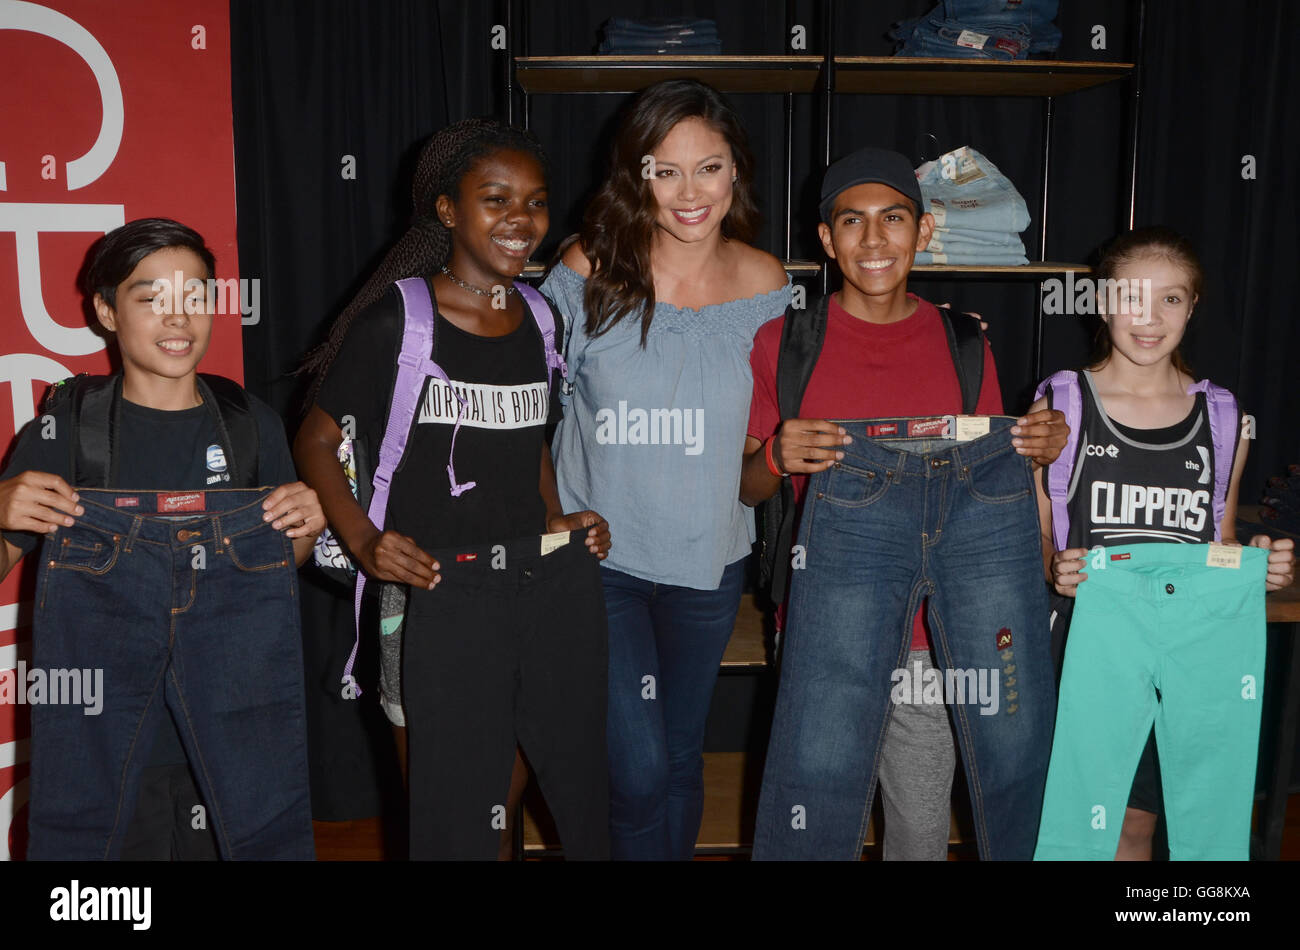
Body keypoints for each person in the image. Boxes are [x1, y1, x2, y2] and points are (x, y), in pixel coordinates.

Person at [294, 118, 612, 860]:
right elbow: (315, 438)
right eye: (495, 199)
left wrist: (563, 520)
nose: (520, 221)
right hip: (429, 593)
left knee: (501, 802)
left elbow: (531, 438)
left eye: (535, 202)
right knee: (445, 817)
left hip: (532, 590)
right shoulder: (400, 319)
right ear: (447, 210)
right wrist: (365, 540)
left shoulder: (539, 317)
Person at [745, 147, 1068, 861]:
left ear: (922, 232)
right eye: (851, 222)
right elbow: (746, 489)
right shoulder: (784, 343)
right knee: (818, 777)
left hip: (934, 639)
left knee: (921, 827)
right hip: (821, 607)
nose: (873, 239)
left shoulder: (964, 342)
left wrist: (1039, 443)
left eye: (893, 219)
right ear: (826, 241)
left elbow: (997, 465)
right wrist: (773, 454)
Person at [0, 217, 322, 859]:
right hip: (111, 747)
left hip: (233, 738)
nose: (178, 319)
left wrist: (304, 529)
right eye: (151, 298)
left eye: (195, 297)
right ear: (106, 311)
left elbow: (279, 564)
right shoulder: (70, 431)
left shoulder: (250, 426)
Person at [541, 79, 792, 860]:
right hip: (598, 562)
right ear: (636, 175)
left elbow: (762, 453)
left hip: (708, 564)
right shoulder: (586, 269)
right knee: (639, 766)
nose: (690, 193)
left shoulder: (767, 286)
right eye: (666, 170)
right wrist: (550, 518)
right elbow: (523, 412)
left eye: (708, 169)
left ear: (735, 173)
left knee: (680, 756)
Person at [1031, 226, 1295, 859]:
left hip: (1189, 647)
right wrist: (1054, 567)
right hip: (1081, 643)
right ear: (1100, 303)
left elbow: (1219, 541)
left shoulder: (1224, 416)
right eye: (1132, 297)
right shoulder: (1061, 404)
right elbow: (1035, 530)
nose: (1149, 319)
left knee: (1137, 826)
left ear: (1193, 306)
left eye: (1171, 299)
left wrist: (1258, 567)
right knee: (1073, 816)